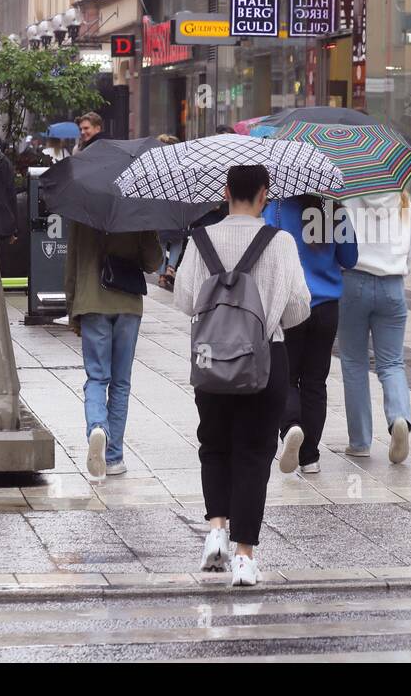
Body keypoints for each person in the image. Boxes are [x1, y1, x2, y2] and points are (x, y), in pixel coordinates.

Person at [174, 165, 311, 587]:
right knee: (253, 454)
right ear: (264, 195)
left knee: (213, 445)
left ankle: (216, 529)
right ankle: (244, 559)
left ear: (226, 191)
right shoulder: (281, 242)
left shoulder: (201, 240)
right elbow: (299, 308)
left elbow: (183, 300)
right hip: (265, 360)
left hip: (211, 360)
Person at [266, 194, 358, 475]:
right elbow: (350, 258)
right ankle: (310, 457)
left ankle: (292, 426)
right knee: (316, 382)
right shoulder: (333, 210)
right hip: (327, 308)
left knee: (286, 376)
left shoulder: (277, 208)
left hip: (292, 303)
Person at [64, 216, 162, 480]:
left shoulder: (82, 209)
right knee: (121, 383)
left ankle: (98, 428)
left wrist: (73, 309)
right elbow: (154, 262)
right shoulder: (136, 207)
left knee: (97, 377)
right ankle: (114, 456)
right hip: (127, 303)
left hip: (91, 302)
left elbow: (72, 261)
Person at [338, 191, 411, 463]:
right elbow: (410, 255)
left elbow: (340, 247)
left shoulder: (347, 200)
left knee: (353, 362)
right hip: (393, 286)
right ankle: (399, 418)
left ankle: (359, 442)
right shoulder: (404, 203)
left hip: (353, 282)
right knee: (392, 363)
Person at [154, 135, 184, 291]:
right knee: (177, 240)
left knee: (161, 242)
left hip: (161, 207)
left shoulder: (156, 164)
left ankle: (160, 275)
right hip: (177, 207)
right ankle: (170, 268)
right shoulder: (180, 164)